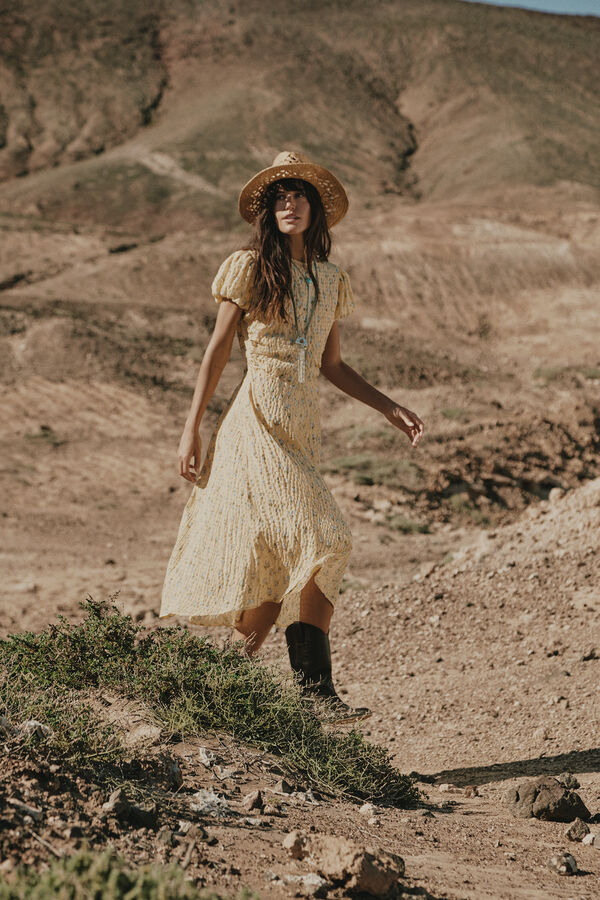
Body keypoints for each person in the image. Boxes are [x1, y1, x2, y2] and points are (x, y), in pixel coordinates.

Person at [159, 150, 424, 723]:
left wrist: (387, 406)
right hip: (256, 422)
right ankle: (316, 697)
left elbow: (333, 364)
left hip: (302, 429)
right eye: (278, 198)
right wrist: (192, 429)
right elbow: (218, 351)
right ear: (267, 212)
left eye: (298, 195)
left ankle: (220, 693)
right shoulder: (248, 267)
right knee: (329, 537)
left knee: (279, 567)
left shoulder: (329, 280)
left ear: (316, 209)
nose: (288, 204)